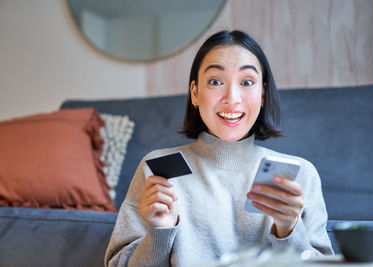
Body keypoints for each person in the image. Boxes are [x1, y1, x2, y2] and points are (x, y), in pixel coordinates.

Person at [105, 30, 333, 266]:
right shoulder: (158, 170)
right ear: (195, 93)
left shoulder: (300, 175)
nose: (232, 98)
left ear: (263, 94)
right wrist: (159, 234)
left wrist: (288, 231)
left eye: (247, 82)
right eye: (215, 81)